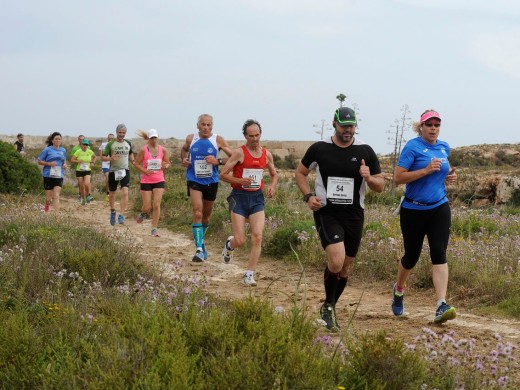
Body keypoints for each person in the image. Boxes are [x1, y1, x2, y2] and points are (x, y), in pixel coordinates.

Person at [295, 107, 384, 332]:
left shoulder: (365, 150)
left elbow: (381, 186)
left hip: (354, 214)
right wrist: (308, 196)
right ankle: (328, 308)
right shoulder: (320, 148)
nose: (348, 129)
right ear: (334, 124)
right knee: (336, 260)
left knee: (345, 268)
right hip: (327, 211)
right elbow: (300, 173)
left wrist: (369, 177)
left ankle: (329, 306)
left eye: (351, 125)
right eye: (344, 125)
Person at [391, 109, 458, 324]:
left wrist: (449, 176)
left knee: (439, 252)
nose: (433, 128)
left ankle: (441, 305)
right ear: (421, 127)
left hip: (439, 207)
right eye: (429, 125)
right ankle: (399, 290)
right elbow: (398, 178)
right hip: (413, 209)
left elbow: (443, 173)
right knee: (411, 256)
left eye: (437, 125)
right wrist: (426, 170)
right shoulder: (412, 147)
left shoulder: (444, 147)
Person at [219, 119, 278, 286]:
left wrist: (272, 186)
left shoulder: (267, 154)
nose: (255, 139)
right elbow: (222, 175)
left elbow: (274, 174)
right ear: (245, 136)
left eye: (257, 135)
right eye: (251, 136)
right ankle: (230, 245)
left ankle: (249, 274)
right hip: (239, 197)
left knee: (258, 236)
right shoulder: (239, 153)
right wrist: (239, 181)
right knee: (240, 240)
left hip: (257, 198)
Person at [181, 114, 233, 262]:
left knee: (206, 216)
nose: (206, 127)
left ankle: (201, 243)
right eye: (203, 124)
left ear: (212, 126)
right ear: (197, 125)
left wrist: (218, 161)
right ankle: (198, 249)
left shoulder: (218, 140)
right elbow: (184, 150)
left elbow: (234, 157)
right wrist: (184, 159)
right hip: (194, 179)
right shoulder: (191, 139)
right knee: (197, 212)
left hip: (211, 181)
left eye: (209, 125)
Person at [134, 129, 171, 237]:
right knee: (147, 207)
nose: (154, 140)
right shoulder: (143, 150)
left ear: (157, 137)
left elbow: (168, 163)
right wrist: (145, 170)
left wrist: (166, 166)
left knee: (156, 205)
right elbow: (136, 164)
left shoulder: (163, 150)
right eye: (152, 138)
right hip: (146, 181)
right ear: (148, 139)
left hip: (159, 180)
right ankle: (143, 213)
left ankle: (154, 228)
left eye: (155, 137)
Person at [102, 124, 135, 226]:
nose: (121, 135)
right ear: (116, 132)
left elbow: (130, 153)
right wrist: (110, 159)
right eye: (120, 132)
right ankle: (112, 211)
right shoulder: (111, 144)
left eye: (123, 133)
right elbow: (102, 157)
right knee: (112, 193)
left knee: (125, 192)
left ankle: (121, 214)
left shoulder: (128, 142)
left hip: (125, 170)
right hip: (113, 171)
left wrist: (133, 160)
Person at [37, 132, 67, 212]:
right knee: (48, 199)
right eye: (56, 139)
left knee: (56, 195)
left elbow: (64, 160)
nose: (58, 140)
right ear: (52, 140)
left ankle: (56, 215)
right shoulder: (47, 149)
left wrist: (64, 165)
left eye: (59, 139)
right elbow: (39, 161)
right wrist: (49, 163)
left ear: (61, 140)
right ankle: (46, 211)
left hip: (59, 175)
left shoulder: (63, 150)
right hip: (48, 175)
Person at [71, 139, 96, 205]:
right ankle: (82, 199)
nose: (85, 146)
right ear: (81, 145)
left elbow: (94, 157)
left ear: (88, 145)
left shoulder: (90, 151)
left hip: (87, 170)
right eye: (84, 144)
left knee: (87, 184)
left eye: (86, 144)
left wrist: (93, 162)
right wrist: (78, 161)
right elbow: (72, 160)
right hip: (79, 170)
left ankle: (88, 196)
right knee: (81, 186)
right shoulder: (78, 151)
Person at [99, 133, 115, 201]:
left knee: (113, 180)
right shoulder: (103, 145)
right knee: (108, 178)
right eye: (109, 138)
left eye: (112, 138)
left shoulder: (115, 145)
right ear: (107, 138)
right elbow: (101, 157)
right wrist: (108, 159)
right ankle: (108, 194)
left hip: (113, 164)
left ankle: (112, 194)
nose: (110, 139)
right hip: (105, 164)